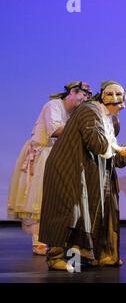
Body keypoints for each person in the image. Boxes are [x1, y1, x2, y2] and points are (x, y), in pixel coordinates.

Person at [39, 81, 126, 271]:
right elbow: (98, 145)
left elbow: (110, 153)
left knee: (89, 210)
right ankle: (54, 256)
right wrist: (119, 149)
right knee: (67, 209)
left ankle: (91, 254)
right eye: (118, 104)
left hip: (83, 168)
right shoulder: (89, 111)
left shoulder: (106, 118)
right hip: (66, 166)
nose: (120, 108)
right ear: (107, 99)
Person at [7, 82, 92, 255]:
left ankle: (54, 237)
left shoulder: (71, 112)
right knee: (40, 197)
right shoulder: (53, 106)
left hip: (56, 155)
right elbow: (55, 130)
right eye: (84, 95)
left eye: (88, 97)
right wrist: (81, 125)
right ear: (72, 92)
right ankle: (39, 241)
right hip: (43, 155)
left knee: (55, 198)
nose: (85, 99)